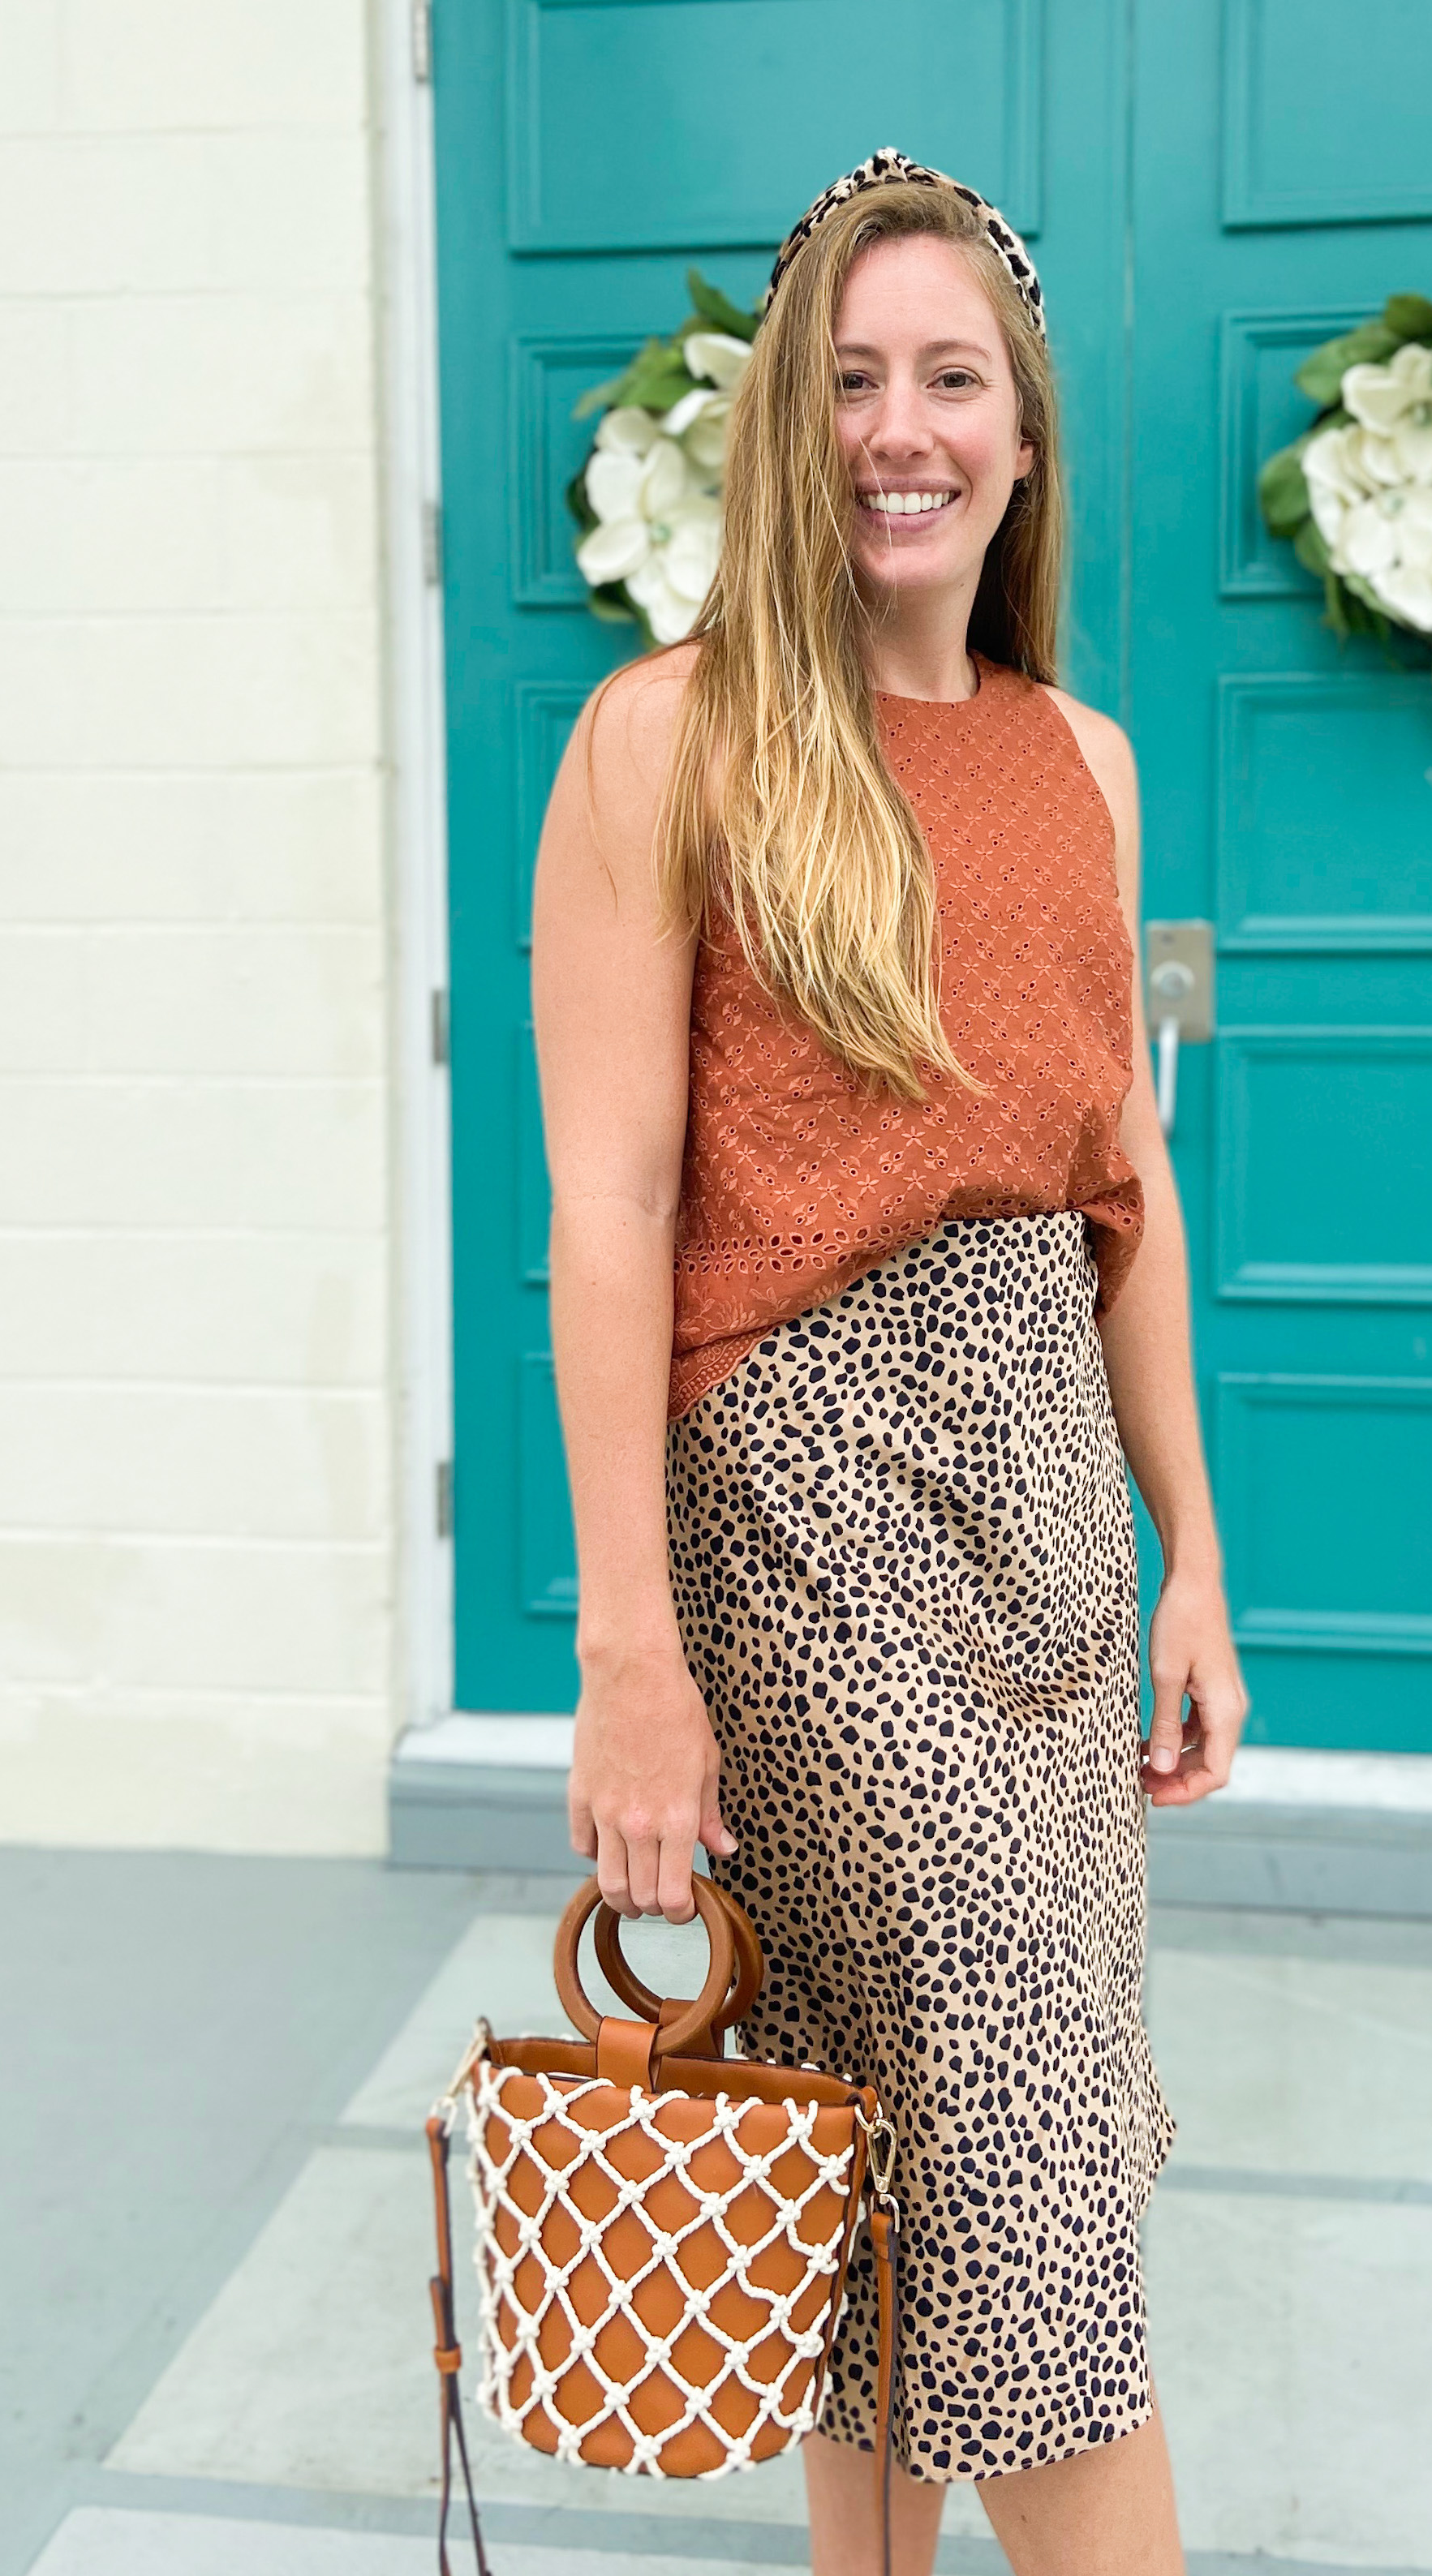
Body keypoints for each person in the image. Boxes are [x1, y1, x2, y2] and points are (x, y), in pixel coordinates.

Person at [531, 148, 1249, 2576]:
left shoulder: (1088, 761)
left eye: (951, 379)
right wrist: (632, 1655)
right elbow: (611, 1206)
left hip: (1047, 1498)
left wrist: (1196, 1553)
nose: (898, 428)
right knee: (1031, 2157)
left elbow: (1119, 1189)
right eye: (847, 380)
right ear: (785, 431)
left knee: (893, 2130)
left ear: (1024, 440)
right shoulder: (677, 738)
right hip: (802, 1510)